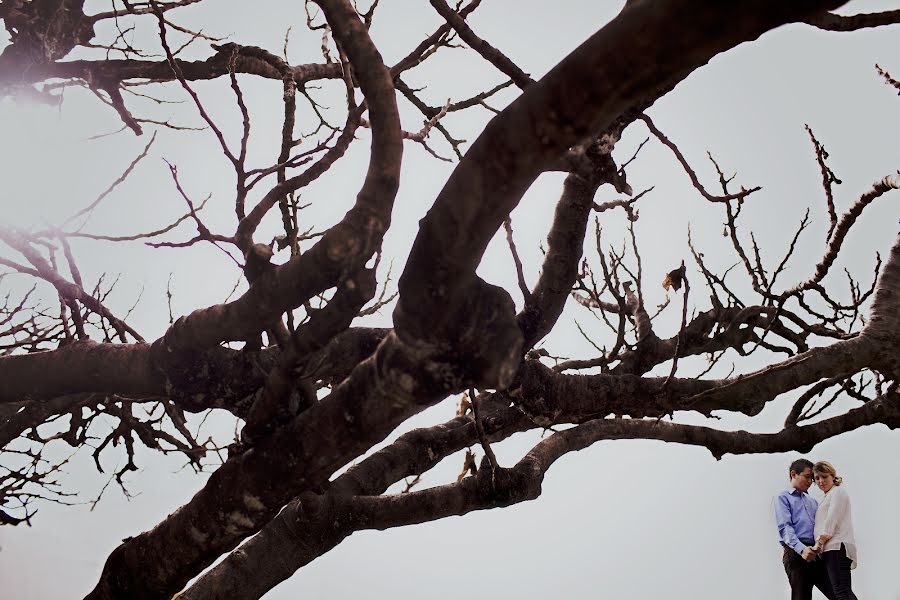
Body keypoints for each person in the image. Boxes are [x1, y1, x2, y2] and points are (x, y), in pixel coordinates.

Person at [774, 458, 835, 600]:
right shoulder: (782, 498)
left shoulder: (813, 502)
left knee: (839, 593)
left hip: (816, 553)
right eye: (808, 477)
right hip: (796, 553)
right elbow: (785, 528)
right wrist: (802, 549)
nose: (810, 482)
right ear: (793, 474)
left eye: (812, 479)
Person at [812, 461, 859, 600]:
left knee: (841, 591)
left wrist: (819, 542)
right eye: (817, 478)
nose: (821, 481)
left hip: (836, 546)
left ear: (833, 476)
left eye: (824, 477)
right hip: (831, 549)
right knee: (841, 590)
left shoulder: (838, 492)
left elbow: (832, 520)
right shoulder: (829, 495)